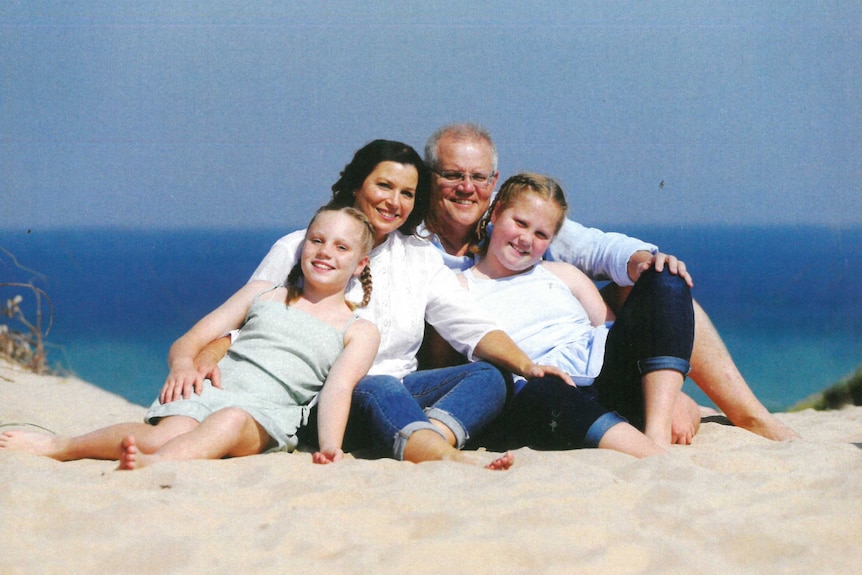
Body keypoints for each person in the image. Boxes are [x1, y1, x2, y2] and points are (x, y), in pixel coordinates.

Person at [196, 139, 572, 469]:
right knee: (378, 386)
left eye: (407, 193)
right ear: (358, 185)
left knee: (491, 376)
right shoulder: (303, 247)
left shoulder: (419, 258)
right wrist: (201, 363)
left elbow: (471, 327)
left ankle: (425, 440)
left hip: (401, 389)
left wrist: (528, 365)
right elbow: (244, 323)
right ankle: (438, 454)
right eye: (384, 186)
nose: (394, 202)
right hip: (324, 401)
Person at [420, 123, 799, 443]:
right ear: (431, 177)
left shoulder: (531, 224)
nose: (467, 187)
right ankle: (657, 415)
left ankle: (740, 415)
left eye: (479, 176)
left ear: (494, 186)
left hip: (594, 365)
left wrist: (644, 261)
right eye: (453, 175)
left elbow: (597, 252)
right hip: (530, 380)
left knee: (659, 277)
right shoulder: (418, 249)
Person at [0, 206, 381, 468]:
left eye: (341, 247)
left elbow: (337, 389)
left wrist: (331, 446)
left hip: (265, 416)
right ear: (303, 246)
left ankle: (159, 464)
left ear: (360, 264)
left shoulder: (358, 330)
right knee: (162, 434)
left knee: (230, 420)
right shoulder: (263, 292)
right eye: (317, 240)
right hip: (211, 394)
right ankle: (61, 446)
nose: (325, 252)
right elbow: (190, 339)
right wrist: (183, 365)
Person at [462, 173, 696, 457]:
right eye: (520, 223)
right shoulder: (460, 287)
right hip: (545, 394)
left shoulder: (563, 274)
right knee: (539, 389)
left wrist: (674, 395)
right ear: (497, 212)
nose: (526, 239)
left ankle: (657, 433)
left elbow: (612, 333)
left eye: (541, 234)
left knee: (666, 274)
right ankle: (651, 455)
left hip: (607, 381)